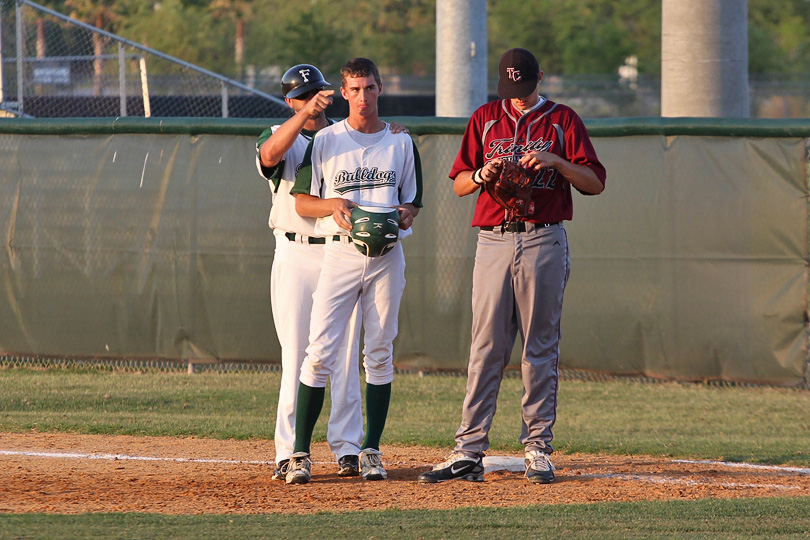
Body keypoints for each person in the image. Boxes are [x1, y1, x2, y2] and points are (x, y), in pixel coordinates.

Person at [418, 48, 606, 485]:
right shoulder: (486, 117)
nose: (518, 97)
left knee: (538, 348)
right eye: (511, 89)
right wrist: (483, 174)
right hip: (493, 240)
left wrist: (558, 162)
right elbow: (461, 183)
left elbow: (595, 182)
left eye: (525, 87)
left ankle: (538, 448)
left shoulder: (563, 121)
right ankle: (468, 451)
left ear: (540, 77)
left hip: (543, 237)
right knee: (485, 348)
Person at [285, 57, 423, 484]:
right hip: (341, 253)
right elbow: (302, 201)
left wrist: (404, 214)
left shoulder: (401, 142)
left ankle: (370, 449)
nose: (363, 96)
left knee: (379, 352)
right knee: (320, 351)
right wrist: (334, 204)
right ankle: (299, 453)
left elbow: (414, 202)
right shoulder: (325, 140)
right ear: (342, 93)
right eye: (355, 89)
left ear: (380, 89)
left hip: (387, 257)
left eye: (369, 87)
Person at [255, 63, 366, 481]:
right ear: (289, 102)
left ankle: (348, 448)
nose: (312, 101)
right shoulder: (277, 132)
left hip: (342, 251)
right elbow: (270, 156)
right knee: (297, 354)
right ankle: (289, 451)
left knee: (344, 354)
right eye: (302, 96)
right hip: (295, 252)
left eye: (316, 93)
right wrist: (302, 115)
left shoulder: (346, 136)